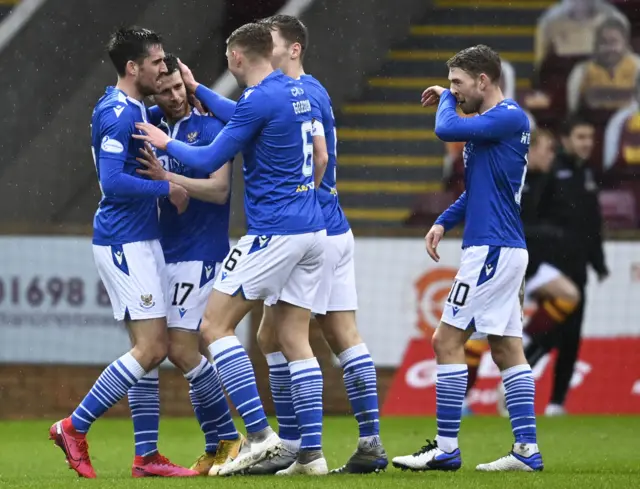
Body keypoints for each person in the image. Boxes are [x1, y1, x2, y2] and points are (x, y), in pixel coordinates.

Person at [134, 23, 328, 476]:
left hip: (274, 231)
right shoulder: (292, 90)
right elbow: (254, 120)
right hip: (312, 230)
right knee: (293, 339)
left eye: (228, 56)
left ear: (237, 57)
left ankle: (260, 437)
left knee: (214, 327)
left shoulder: (257, 100)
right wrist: (201, 88)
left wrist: (165, 143)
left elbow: (205, 160)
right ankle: (311, 455)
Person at [48, 27, 195, 479]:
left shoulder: (133, 108)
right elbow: (112, 182)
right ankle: (73, 426)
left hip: (140, 239)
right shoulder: (116, 113)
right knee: (153, 348)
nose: (162, 68)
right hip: (123, 241)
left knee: (146, 350)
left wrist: (192, 91)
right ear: (133, 68)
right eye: (155, 63)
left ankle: (146, 457)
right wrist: (165, 186)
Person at [392, 45, 543, 473]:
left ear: (483, 81)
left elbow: (445, 130)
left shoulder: (509, 116)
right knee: (507, 347)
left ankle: (445, 448)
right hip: (499, 245)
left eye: (459, 83)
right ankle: (527, 451)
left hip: (493, 249)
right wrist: (443, 221)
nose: (455, 92)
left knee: (446, 340)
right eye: (451, 84)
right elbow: (480, 190)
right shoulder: (491, 124)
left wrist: (443, 98)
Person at [132, 53, 245, 476]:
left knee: (182, 351)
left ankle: (230, 438)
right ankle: (215, 444)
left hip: (201, 254)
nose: (175, 96)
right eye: (165, 91)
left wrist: (168, 179)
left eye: (179, 87)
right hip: (161, 253)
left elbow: (218, 191)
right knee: (154, 352)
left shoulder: (211, 127)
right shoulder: (151, 129)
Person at [521, 117, 608, 416]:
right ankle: (521, 366)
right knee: (557, 330)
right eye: (581, 136)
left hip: (579, 264)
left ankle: (557, 403)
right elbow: (531, 215)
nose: (587, 143)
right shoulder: (548, 170)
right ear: (566, 139)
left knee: (571, 338)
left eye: (590, 137)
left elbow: (593, 223)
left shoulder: (587, 173)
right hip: (552, 262)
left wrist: (599, 261)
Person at [567, 16, 640, 116]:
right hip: (593, 124)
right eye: (603, 42)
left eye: (614, 42)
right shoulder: (582, 71)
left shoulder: (637, 67)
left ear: (625, 43)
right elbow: (573, 110)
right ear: (596, 45)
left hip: (628, 125)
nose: (609, 48)